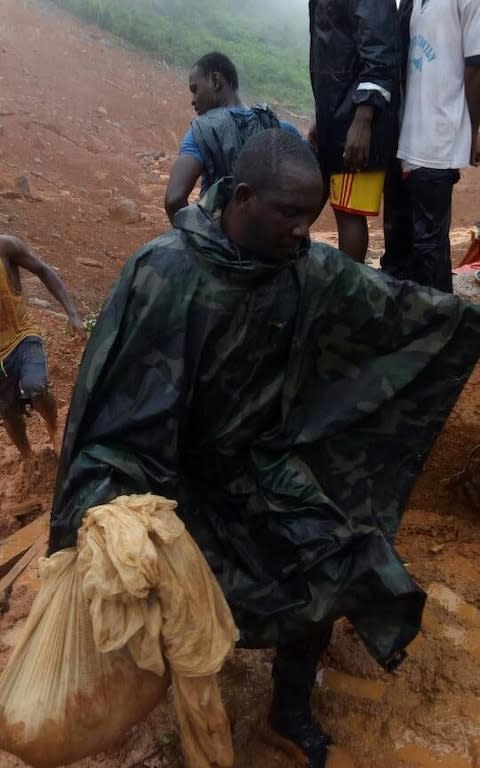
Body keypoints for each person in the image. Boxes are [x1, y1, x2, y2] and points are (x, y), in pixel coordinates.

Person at [50, 130, 479, 768]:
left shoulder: (302, 266)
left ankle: (289, 706)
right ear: (242, 198)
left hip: (265, 467)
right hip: (169, 479)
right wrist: (105, 503)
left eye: (312, 217)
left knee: (332, 555)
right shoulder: (164, 273)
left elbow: (395, 308)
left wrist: (468, 318)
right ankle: (181, 692)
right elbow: (109, 401)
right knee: (162, 590)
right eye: (290, 215)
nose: (305, 231)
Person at [382, 0, 480, 292]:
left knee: (429, 246)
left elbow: (476, 69)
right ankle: (409, 320)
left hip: (440, 134)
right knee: (401, 239)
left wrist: (474, 129)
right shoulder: (412, 4)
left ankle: (441, 326)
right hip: (405, 137)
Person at [308, 0, 400, 262]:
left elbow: (380, 55)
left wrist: (363, 118)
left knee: (349, 213)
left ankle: (347, 295)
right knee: (318, 203)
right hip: (335, 118)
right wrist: (322, 117)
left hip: (358, 123)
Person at [164, 51, 302, 223]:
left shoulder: (202, 132)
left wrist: (198, 239)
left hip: (219, 241)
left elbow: (174, 199)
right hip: (270, 242)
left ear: (215, 81)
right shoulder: (282, 129)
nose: (193, 100)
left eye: (195, 89)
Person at [0, 235, 82, 459]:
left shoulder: (6, 247)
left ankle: (54, 428)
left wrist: (72, 313)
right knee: (8, 414)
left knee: (35, 386)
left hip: (23, 336)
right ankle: (26, 455)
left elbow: (43, 270)